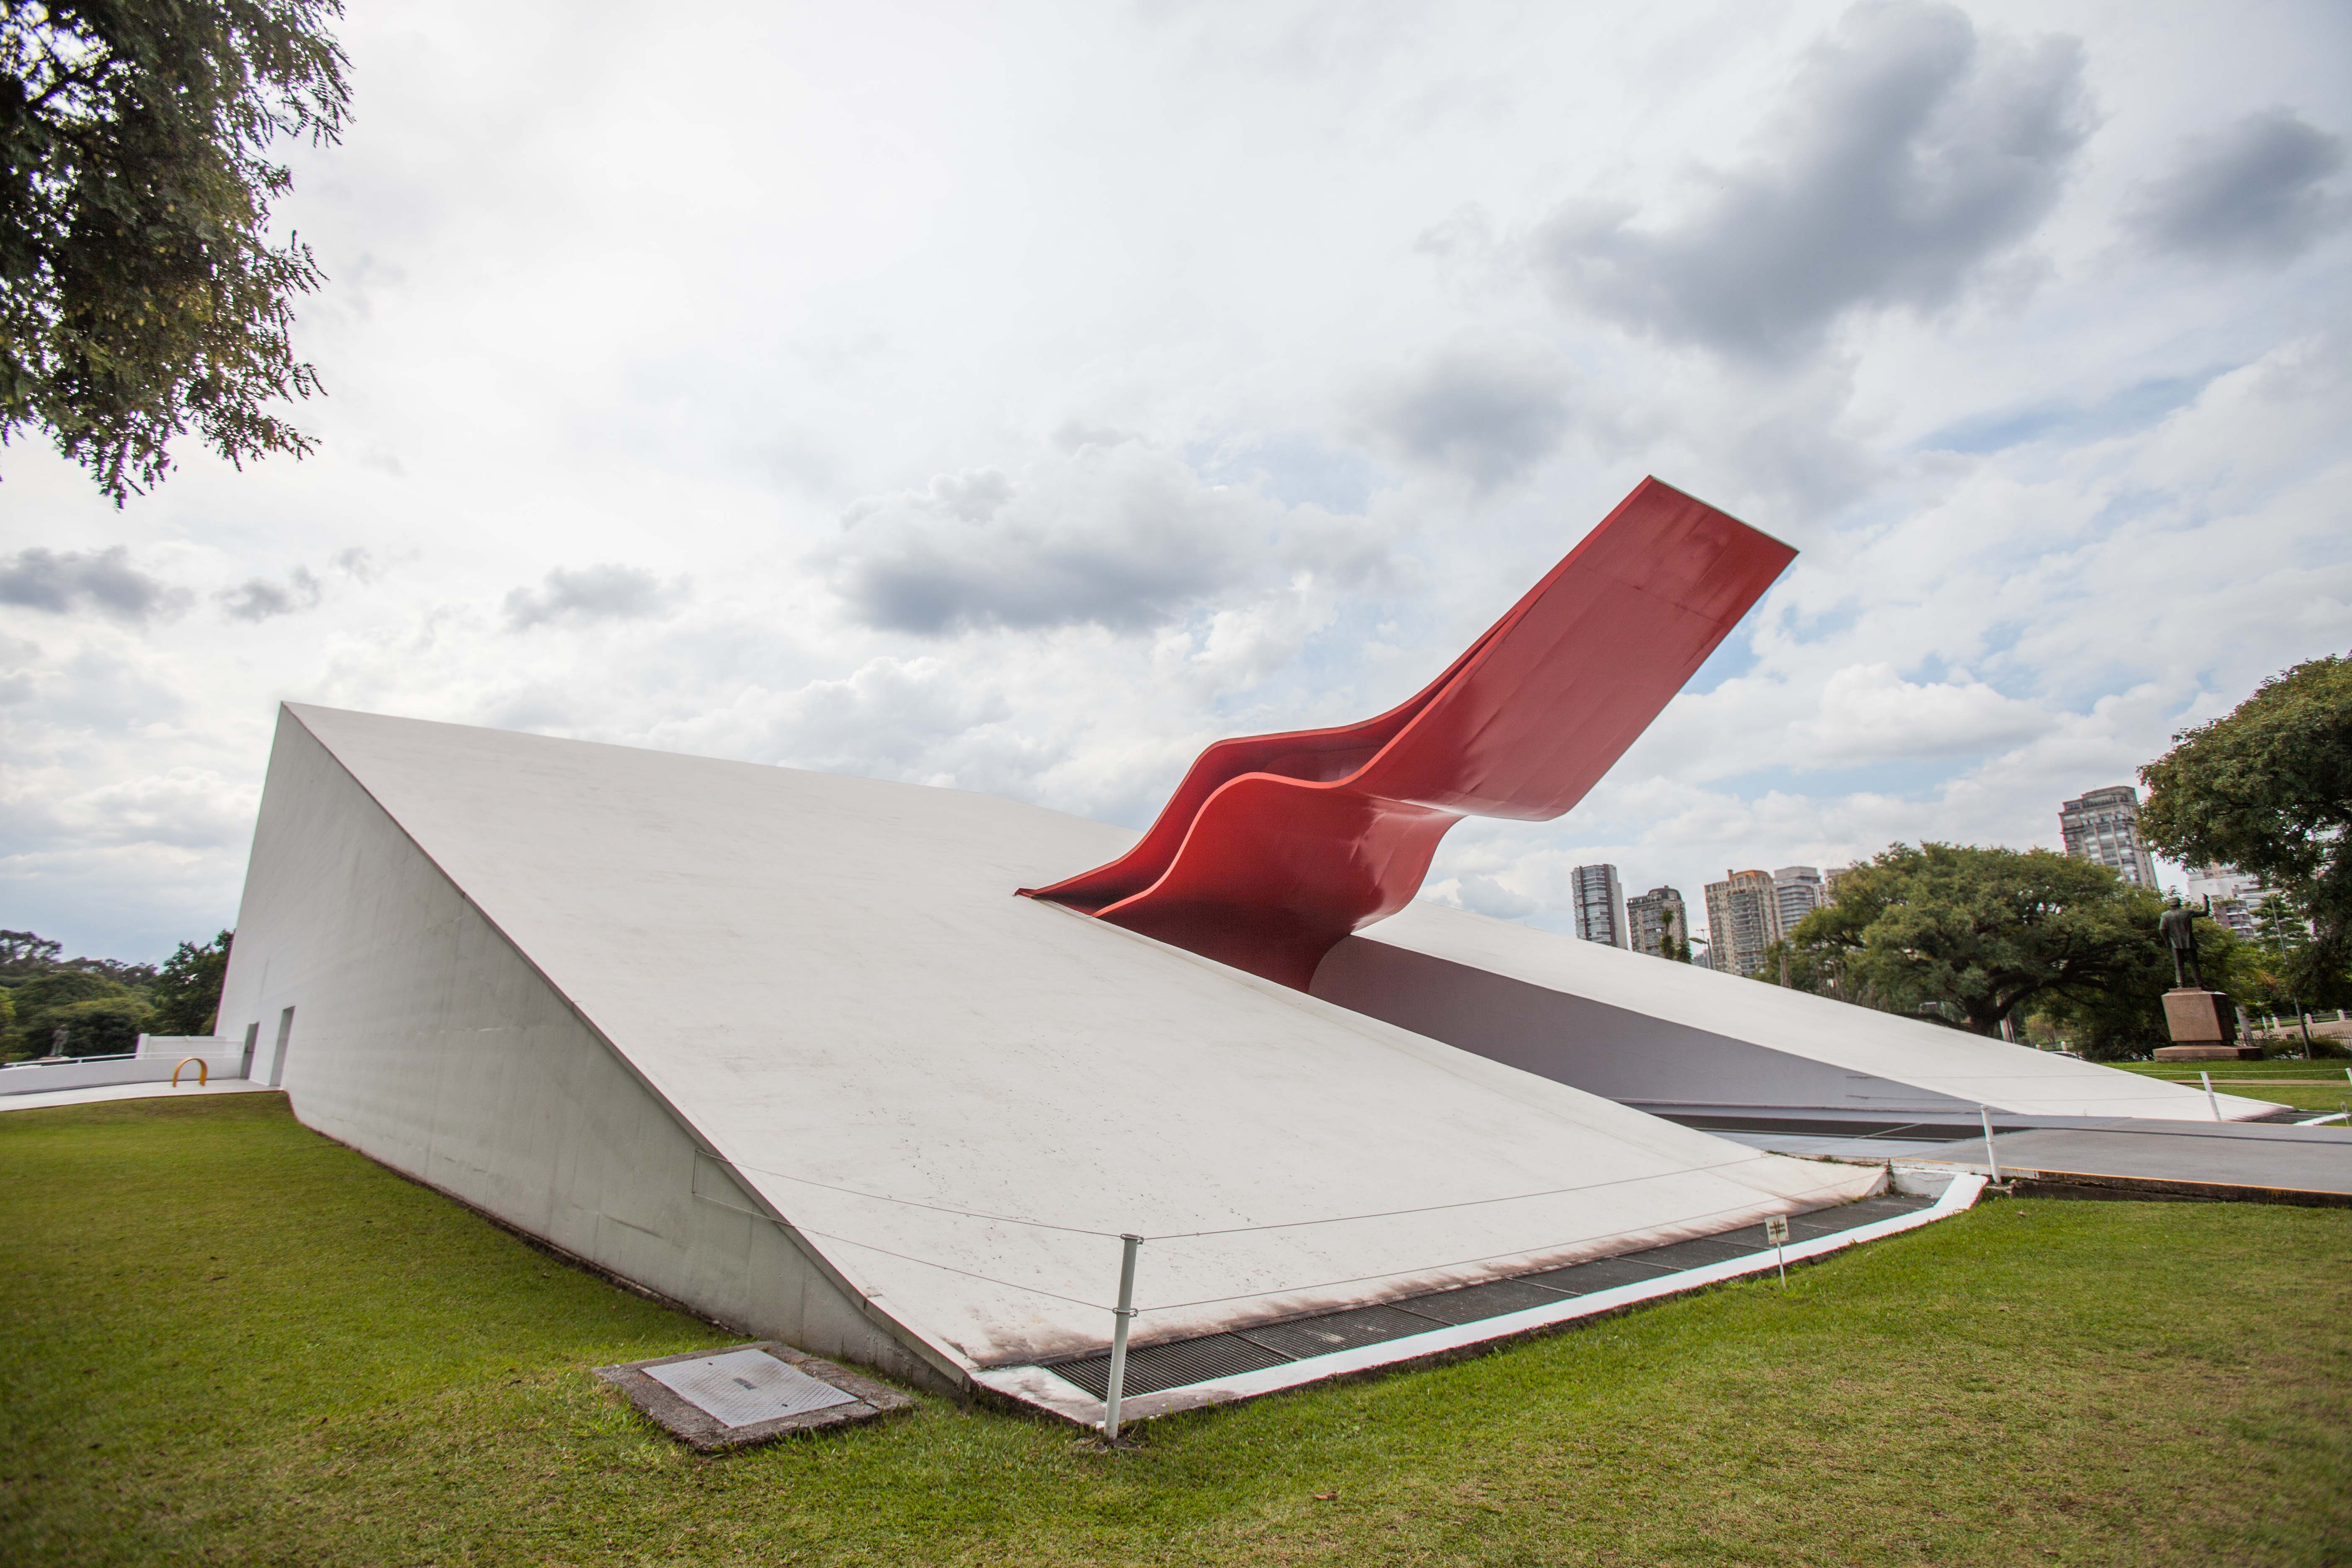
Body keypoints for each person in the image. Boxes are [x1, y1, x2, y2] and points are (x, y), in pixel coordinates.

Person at [2158, 894, 2203, 990]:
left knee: (2178, 965)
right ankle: (2199, 983)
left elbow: (2162, 929)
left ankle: (2181, 984)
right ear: (2179, 903)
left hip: (2175, 943)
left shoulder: (2165, 915)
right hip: (2189, 942)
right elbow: (2205, 912)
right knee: (2194, 964)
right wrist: (2205, 900)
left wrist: (2167, 941)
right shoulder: (2187, 912)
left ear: (2170, 905)